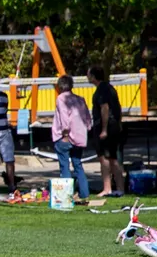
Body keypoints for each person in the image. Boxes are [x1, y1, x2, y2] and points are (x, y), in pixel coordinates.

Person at [51, 74, 92, 203]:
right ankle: (84, 194)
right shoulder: (80, 99)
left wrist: (65, 134)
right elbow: (87, 120)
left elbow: (64, 117)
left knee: (64, 166)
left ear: (59, 86)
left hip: (65, 137)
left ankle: (65, 196)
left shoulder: (61, 99)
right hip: (79, 138)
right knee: (78, 165)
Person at [88, 65, 126, 202]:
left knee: (104, 158)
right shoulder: (110, 88)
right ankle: (120, 188)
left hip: (106, 127)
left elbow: (105, 108)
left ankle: (107, 188)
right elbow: (118, 107)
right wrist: (119, 123)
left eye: (89, 74)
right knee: (113, 158)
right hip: (114, 125)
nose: (87, 76)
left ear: (93, 76)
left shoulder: (101, 90)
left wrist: (104, 129)